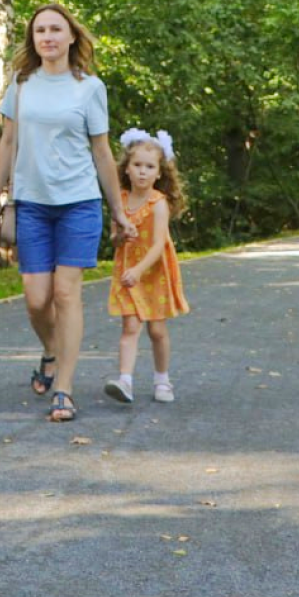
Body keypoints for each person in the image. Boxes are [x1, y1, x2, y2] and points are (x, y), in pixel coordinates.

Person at [0, 3, 134, 424]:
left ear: (71, 37)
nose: (47, 37)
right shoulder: (22, 84)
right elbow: (8, 144)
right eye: (40, 31)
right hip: (31, 203)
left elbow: (102, 151)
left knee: (67, 294)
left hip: (79, 203)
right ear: (33, 40)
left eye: (55, 29)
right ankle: (51, 351)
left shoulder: (90, 88)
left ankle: (64, 390)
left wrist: (118, 210)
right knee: (37, 299)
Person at [104, 128, 190, 405]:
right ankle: (125, 380)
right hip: (128, 271)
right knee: (130, 326)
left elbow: (158, 245)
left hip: (153, 273)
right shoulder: (120, 201)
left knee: (156, 330)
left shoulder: (158, 204)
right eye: (137, 165)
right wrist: (121, 236)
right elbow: (113, 239)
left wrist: (140, 270)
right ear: (126, 169)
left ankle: (162, 379)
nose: (142, 172)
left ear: (159, 173)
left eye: (149, 167)